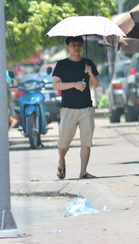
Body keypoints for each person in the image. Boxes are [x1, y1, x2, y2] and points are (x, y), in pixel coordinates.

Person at [52, 36, 100, 180]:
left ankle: (83, 171)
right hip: (68, 108)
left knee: (86, 141)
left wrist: (90, 72)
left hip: (86, 108)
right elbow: (55, 85)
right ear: (68, 47)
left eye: (79, 44)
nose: (77, 47)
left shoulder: (88, 63)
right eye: (73, 44)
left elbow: (96, 84)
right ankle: (61, 160)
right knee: (64, 142)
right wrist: (74, 84)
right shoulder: (62, 64)